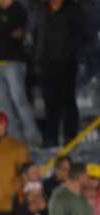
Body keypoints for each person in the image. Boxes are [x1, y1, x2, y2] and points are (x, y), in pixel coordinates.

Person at [0, 0, 40, 144]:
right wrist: (3, 29)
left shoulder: (18, 10)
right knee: (1, 104)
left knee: (19, 98)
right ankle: (14, 138)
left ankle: (32, 135)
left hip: (13, 61)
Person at [34, 0, 85, 147]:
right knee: (50, 102)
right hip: (45, 63)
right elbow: (37, 33)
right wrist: (37, 56)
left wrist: (69, 51)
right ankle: (51, 138)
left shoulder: (73, 9)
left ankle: (71, 138)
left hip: (66, 62)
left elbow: (81, 34)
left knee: (68, 101)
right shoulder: (41, 9)